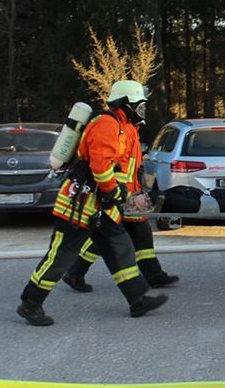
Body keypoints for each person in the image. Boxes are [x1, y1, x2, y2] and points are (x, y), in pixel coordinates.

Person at [16, 80, 168, 326]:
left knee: (121, 248)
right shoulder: (107, 124)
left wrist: (123, 195)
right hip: (80, 205)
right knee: (60, 257)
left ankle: (137, 299)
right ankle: (30, 303)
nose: (142, 111)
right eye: (139, 106)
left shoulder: (123, 126)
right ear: (125, 104)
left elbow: (123, 169)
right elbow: (100, 165)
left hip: (101, 206)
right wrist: (114, 191)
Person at [61, 119, 179, 293]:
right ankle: (75, 272)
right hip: (119, 193)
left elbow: (130, 164)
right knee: (107, 236)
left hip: (127, 192)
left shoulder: (130, 129)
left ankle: (153, 275)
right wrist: (120, 192)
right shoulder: (118, 129)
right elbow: (113, 162)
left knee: (141, 231)